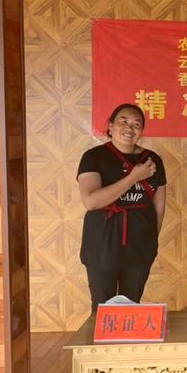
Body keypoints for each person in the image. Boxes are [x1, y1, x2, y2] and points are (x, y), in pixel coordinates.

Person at [77, 103, 167, 311]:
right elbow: (91, 201)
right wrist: (134, 177)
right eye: (123, 121)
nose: (129, 128)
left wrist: (151, 239)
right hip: (102, 243)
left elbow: (159, 204)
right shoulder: (93, 157)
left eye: (136, 124)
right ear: (110, 126)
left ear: (141, 131)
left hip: (140, 242)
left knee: (132, 305)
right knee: (102, 306)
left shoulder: (153, 160)